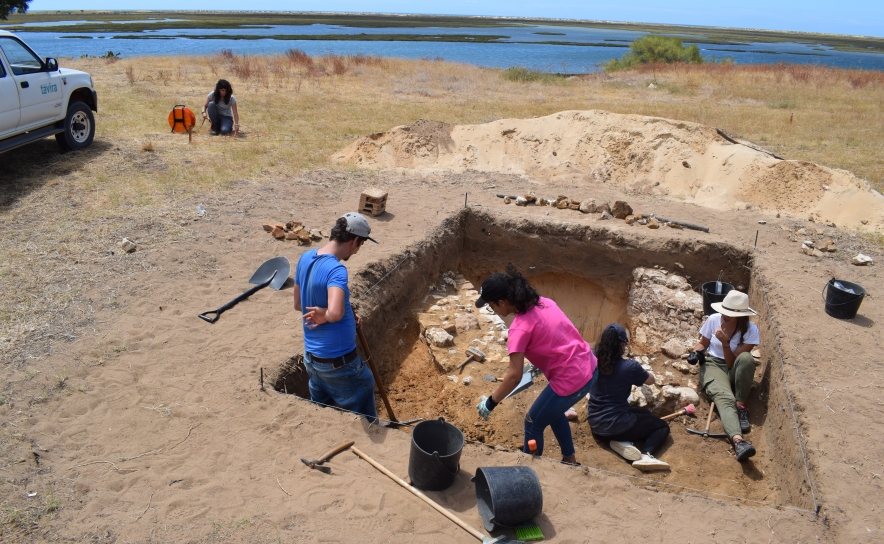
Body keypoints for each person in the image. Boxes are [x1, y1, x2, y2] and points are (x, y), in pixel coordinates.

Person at [474, 265, 598, 465]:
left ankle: (531, 471)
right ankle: (570, 460)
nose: (494, 310)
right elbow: (557, 333)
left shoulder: (519, 329)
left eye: (492, 306)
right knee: (552, 412)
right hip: (590, 367)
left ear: (502, 302)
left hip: (570, 380)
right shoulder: (544, 302)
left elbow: (514, 376)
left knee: (532, 423)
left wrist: (490, 402)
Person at [293, 213, 378, 422]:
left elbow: (298, 304)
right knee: (365, 393)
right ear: (355, 240)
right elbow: (335, 312)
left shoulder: (305, 258)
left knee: (323, 413)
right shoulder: (336, 269)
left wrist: (341, 313)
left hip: (313, 360)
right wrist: (327, 315)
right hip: (339, 365)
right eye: (360, 245)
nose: (357, 251)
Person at [587, 323, 670, 471]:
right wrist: (644, 371)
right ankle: (646, 455)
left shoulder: (592, 358)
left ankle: (621, 441)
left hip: (596, 425)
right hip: (616, 426)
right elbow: (650, 380)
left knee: (644, 413)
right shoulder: (629, 367)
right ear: (621, 344)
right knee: (662, 426)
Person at [690, 289, 760, 462]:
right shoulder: (713, 319)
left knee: (747, 359)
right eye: (724, 311)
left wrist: (725, 343)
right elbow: (703, 343)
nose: (724, 316)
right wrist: (696, 353)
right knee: (724, 397)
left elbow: (732, 363)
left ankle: (740, 406)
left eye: (729, 314)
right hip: (713, 365)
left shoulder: (750, 330)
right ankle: (738, 441)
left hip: (733, 366)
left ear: (741, 316)